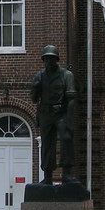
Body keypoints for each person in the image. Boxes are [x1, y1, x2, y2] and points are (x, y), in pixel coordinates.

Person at [31, 45, 77, 184]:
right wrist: (35, 87)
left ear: (56, 60)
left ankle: (66, 173)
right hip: (46, 113)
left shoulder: (66, 75)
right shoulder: (40, 76)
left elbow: (71, 97)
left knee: (66, 138)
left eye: (51, 59)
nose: (49, 62)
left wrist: (68, 118)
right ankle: (47, 175)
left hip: (61, 112)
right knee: (47, 144)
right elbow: (34, 99)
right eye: (46, 59)